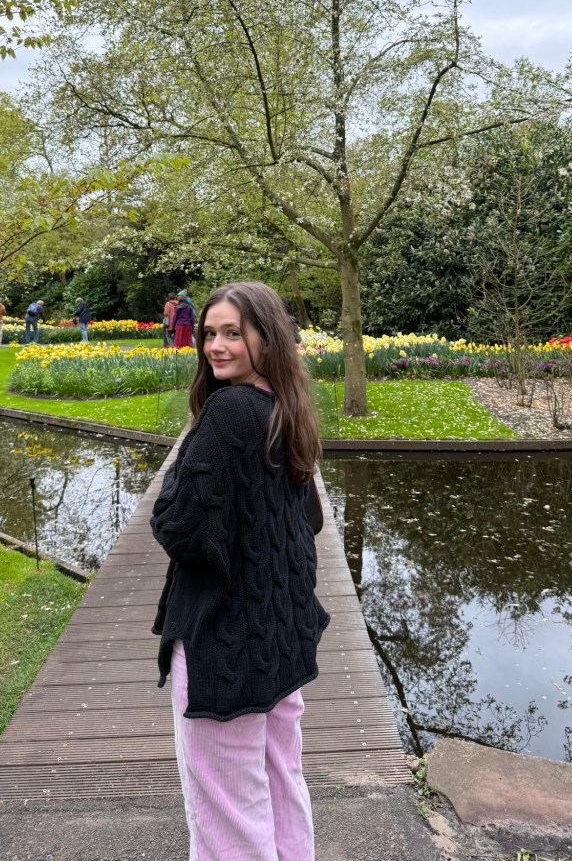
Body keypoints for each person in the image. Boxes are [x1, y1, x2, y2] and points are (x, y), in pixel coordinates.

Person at [150, 281, 329, 861]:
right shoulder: (287, 406)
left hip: (226, 642)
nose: (216, 346)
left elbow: (176, 526)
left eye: (233, 332)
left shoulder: (226, 413)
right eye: (209, 333)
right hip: (280, 634)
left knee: (228, 807)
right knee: (281, 779)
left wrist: (183, 470)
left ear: (267, 337)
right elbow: (312, 520)